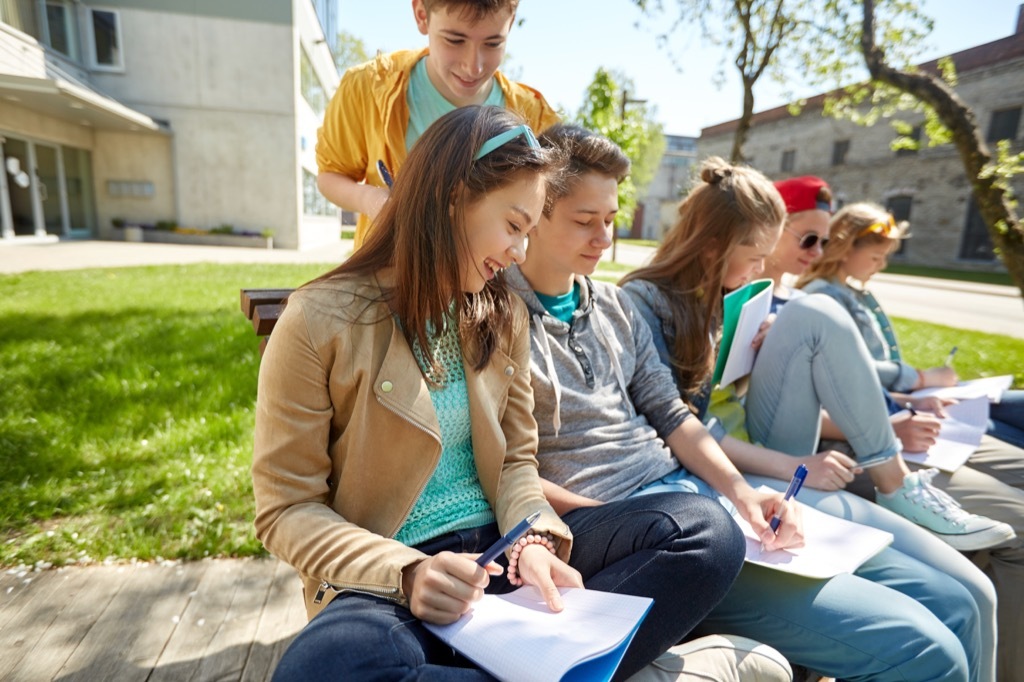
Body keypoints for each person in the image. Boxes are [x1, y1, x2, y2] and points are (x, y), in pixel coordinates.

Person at [252, 106, 748, 681]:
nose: (518, 252)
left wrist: (532, 538)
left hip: (506, 554)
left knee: (705, 530)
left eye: (529, 232)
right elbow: (286, 509)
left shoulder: (499, 312)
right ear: (450, 198)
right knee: (322, 670)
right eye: (514, 225)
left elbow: (517, 461)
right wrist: (407, 572)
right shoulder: (318, 319)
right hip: (392, 578)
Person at [510, 125, 983, 681]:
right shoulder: (494, 317)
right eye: (584, 221)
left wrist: (742, 492)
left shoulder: (614, 306)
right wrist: (640, 525)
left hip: (699, 500)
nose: (604, 239)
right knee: (930, 651)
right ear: (535, 211)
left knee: (956, 604)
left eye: (611, 220)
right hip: (649, 534)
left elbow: (674, 416)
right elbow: (502, 462)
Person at [791, 199, 1024, 679]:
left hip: (889, 427)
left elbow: (857, 384)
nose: (816, 251)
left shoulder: (841, 295)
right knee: (1005, 540)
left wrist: (905, 398)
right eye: (809, 239)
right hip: (869, 443)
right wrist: (909, 392)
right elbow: (830, 392)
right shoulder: (814, 301)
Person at [316, 0, 559, 250]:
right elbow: (329, 176)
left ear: (511, 20)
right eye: (455, 40)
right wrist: (371, 200)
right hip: (389, 276)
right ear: (421, 15)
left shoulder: (535, 115)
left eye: (493, 43)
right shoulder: (368, 86)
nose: (473, 66)